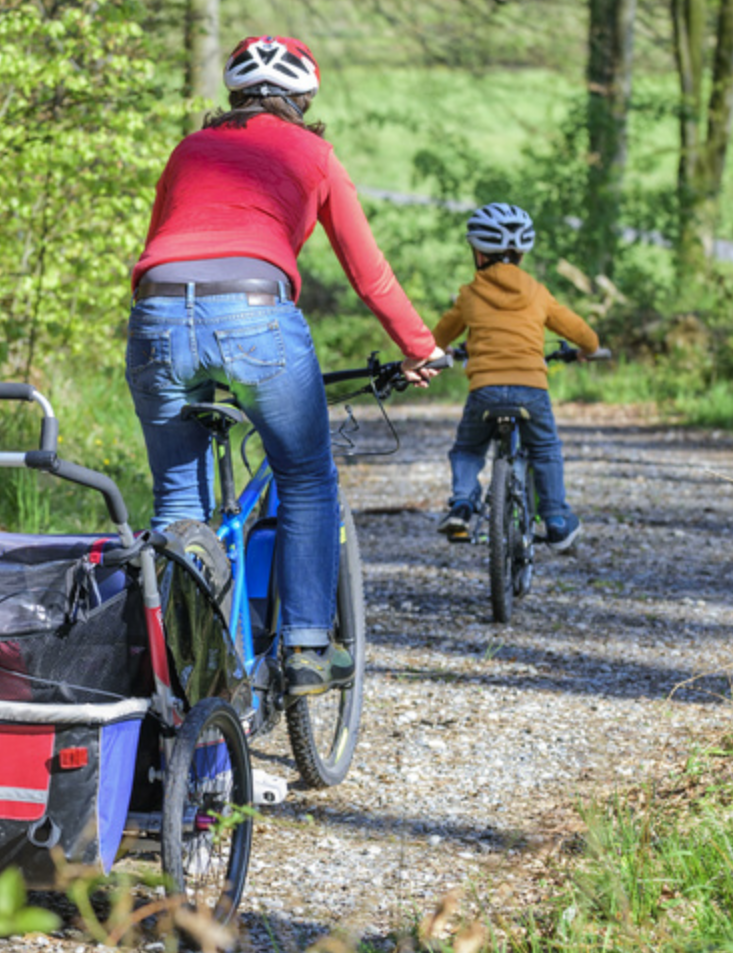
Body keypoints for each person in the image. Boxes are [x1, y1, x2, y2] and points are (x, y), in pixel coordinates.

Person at [125, 34, 444, 699]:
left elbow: (161, 236)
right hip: (255, 315)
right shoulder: (313, 152)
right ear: (303, 99)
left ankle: (169, 667)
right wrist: (418, 347)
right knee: (305, 477)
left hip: (157, 315)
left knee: (179, 500)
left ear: (234, 96)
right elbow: (368, 271)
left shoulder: (190, 148)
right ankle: (303, 646)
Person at [431, 202, 599, 552]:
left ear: (478, 252)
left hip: (485, 391)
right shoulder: (537, 293)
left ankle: (462, 503)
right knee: (546, 449)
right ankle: (554, 518)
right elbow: (583, 334)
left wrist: (438, 353)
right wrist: (588, 349)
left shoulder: (470, 294)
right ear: (521, 253)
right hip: (531, 390)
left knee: (467, 448)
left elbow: (437, 339)